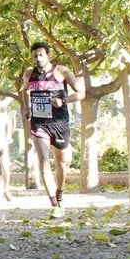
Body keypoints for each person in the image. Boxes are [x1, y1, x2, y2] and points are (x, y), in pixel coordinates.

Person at [20, 42, 84, 218]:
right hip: (39, 123)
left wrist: (63, 101)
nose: (38, 59)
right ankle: (54, 204)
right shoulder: (29, 74)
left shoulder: (61, 71)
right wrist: (27, 108)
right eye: (35, 56)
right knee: (43, 161)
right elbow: (25, 91)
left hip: (60, 121)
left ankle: (60, 193)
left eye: (41, 55)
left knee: (63, 163)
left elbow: (81, 93)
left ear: (48, 55)